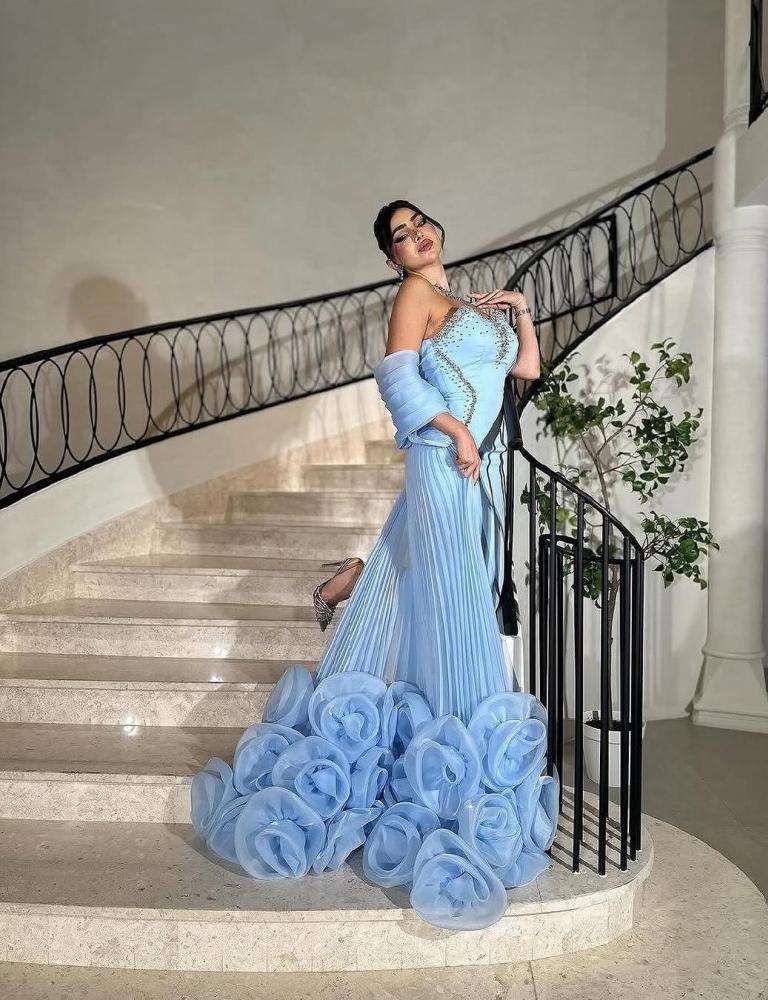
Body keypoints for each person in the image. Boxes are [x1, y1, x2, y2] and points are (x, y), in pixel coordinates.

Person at [190, 201, 558, 932]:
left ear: (437, 231)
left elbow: (527, 368)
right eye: (401, 236)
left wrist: (521, 310)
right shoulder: (413, 294)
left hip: (481, 466)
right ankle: (458, 775)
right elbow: (397, 379)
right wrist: (454, 430)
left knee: (439, 586)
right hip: (444, 456)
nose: (416, 237)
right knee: (456, 606)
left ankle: (354, 581)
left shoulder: (469, 304)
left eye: (421, 224)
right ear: (392, 259)